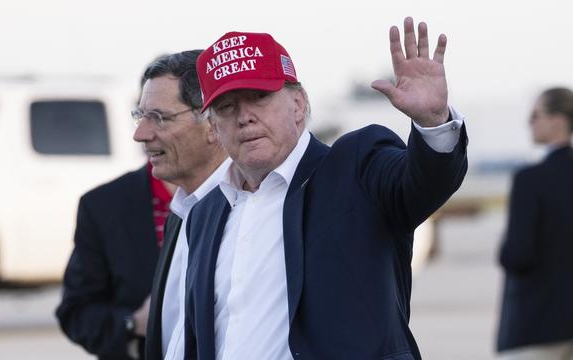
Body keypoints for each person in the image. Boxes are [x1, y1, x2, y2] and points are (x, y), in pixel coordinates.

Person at [183, 17, 468, 359]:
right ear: (213, 126)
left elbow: (424, 183)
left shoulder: (356, 166)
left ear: (298, 104)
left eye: (259, 97)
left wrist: (433, 123)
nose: (244, 116)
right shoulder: (204, 214)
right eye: (227, 107)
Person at [133, 51, 230, 360]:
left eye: (159, 118)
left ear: (212, 123)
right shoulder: (183, 211)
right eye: (140, 116)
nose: (141, 134)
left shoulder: (247, 215)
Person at [55, 162, 172, 360]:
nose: (143, 135)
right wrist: (132, 322)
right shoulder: (104, 204)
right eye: (138, 127)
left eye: (163, 127)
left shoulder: (236, 191)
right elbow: (76, 313)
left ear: (210, 131)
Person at [497, 87, 573, 359]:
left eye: (535, 115)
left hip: (537, 325)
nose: (530, 122)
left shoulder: (531, 180)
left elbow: (517, 255)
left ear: (558, 121)